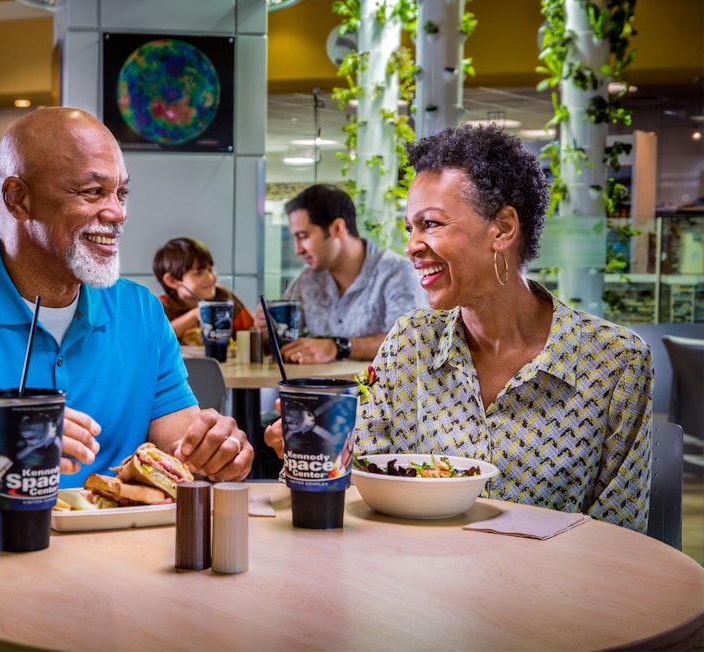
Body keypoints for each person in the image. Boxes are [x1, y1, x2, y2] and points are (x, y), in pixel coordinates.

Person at [0, 107, 252, 564]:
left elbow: (186, 453)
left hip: (126, 582)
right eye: (93, 191)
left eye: (121, 193)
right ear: (17, 199)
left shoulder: (141, 312)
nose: (116, 213)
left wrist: (217, 453)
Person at [265, 124, 652, 532]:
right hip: (419, 584)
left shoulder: (614, 362)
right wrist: (315, 450)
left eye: (430, 224)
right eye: (410, 228)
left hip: (551, 593)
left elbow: (620, 536)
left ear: (502, 229)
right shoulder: (411, 343)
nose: (412, 245)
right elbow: (357, 480)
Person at [254, 184, 425, 363]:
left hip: (376, 389)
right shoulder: (307, 281)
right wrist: (268, 330)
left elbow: (409, 342)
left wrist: (338, 347)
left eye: (303, 236)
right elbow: (284, 341)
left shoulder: (397, 273)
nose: (297, 250)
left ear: (337, 228)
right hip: (315, 389)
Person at [153, 236, 254, 345]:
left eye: (210, 269)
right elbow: (151, 342)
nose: (211, 278)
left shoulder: (224, 297)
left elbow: (251, 334)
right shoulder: (160, 307)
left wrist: (264, 330)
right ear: (172, 281)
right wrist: (194, 315)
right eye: (199, 273)